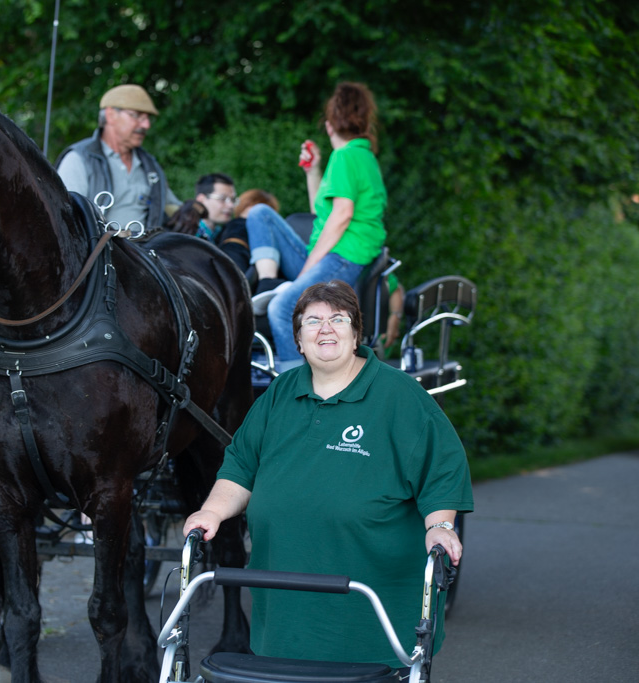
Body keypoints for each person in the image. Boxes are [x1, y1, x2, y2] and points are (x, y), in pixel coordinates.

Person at [183, 280, 472, 670]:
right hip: (285, 608)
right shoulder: (280, 392)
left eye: (338, 319)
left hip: (372, 613)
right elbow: (241, 466)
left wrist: (440, 526)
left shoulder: (400, 397)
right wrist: (212, 512)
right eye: (312, 321)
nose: (325, 329)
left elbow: (441, 470)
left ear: (356, 335)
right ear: (298, 342)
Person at [248, 82, 388, 371]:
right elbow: (322, 216)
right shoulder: (364, 157)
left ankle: (297, 387)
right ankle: (269, 284)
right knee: (260, 213)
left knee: (282, 308)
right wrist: (313, 172)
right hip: (338, 254)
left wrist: (308, 268)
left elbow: (342, 215)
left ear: (329, 125)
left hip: (342, 257)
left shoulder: (346, 156)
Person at [56, 84, 181, 231]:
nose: (146, 125)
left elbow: (171, 207)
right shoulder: (78, 160)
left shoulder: (149, 165)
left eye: (147, 118)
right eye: (137, 116)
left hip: (147, 244)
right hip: (98, 245)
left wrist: (195, 209)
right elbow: (65, 219)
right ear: (111, 115)